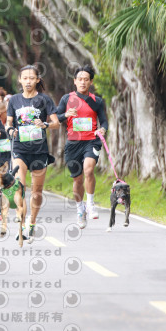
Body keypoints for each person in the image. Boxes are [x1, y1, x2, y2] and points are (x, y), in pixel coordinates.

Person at [6, 65, 60, 243]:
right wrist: (11, 130)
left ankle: (32, 223)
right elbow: (8, 123)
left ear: (37, 80)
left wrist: (44, 125)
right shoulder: (14, 100)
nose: (28, 81)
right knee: (19, 188)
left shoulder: (44, 100)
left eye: (32, 78)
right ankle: (21, 226)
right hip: (20, 149)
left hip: (39, 151)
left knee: (36, 192)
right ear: (20, 80)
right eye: (25, 78)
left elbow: (56, 123)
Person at [56, 65, 108, 229]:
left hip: (91, 141)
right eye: (80, 79)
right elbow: (56, 117)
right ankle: (80, 209)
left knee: (88, 170)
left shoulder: (96, 101)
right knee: (77, 180)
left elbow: (104, 120)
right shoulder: (66, 99)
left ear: (91, 82)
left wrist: (103, 129)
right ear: (75, 81)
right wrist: (66, 115)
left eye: (86, 79)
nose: (83, 82)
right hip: (73, 144)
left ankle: (91, 204)